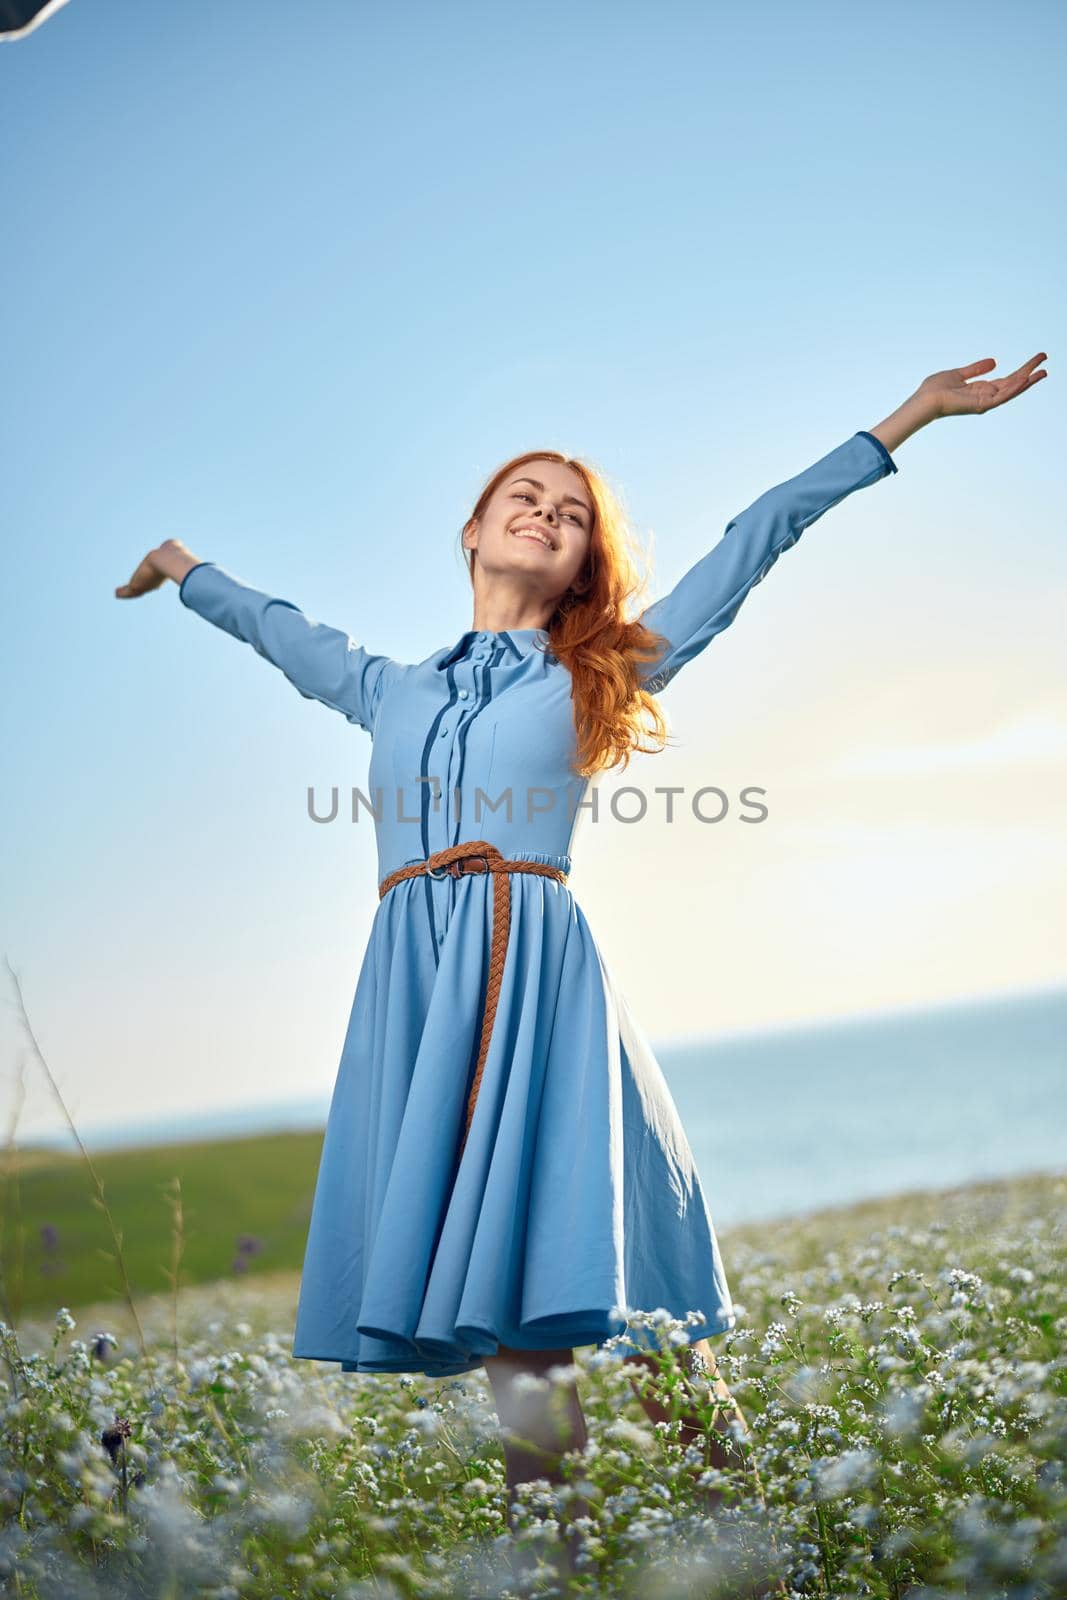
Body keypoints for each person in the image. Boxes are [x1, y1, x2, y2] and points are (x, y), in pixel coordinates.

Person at [116, 353, 1046, 1576]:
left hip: (537, 983)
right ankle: (546, 1559)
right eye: (528, 495)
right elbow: (279, 631)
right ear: (474, 527)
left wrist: (910, 419)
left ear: (578, 561)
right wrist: (183, 568)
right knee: (515, 1325)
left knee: (641, 1309)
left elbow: (752, 538)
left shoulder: (594, 670)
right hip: (417, 988)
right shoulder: (389, 689)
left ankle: (751, 1544)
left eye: (570, 515)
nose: (548, 516)